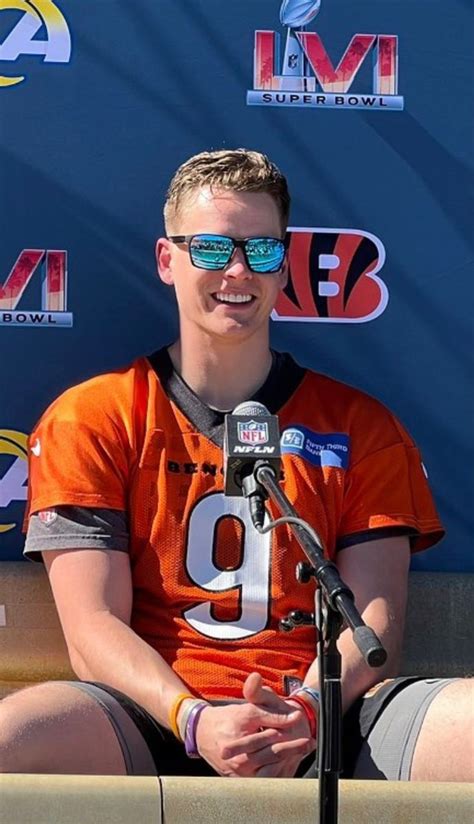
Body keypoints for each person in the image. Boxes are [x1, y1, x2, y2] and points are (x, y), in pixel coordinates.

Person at [0, 149, 472, 781]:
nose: (240, 271)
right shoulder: (93, 416)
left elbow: (374, 618)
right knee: (11, 739)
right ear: (168, 261)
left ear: (285, 266)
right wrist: (195, 719)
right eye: (214, 249)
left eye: (263, 250)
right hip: (156, 717)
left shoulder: (361, 425)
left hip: (325, 714)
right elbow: (93, 627)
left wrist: (305, 712)